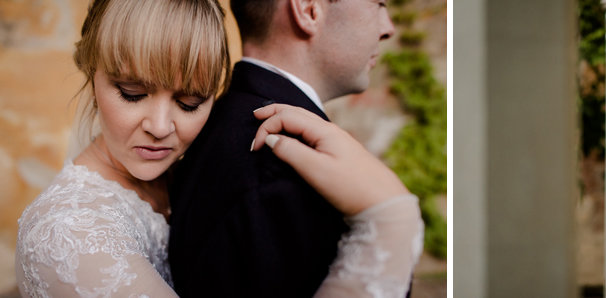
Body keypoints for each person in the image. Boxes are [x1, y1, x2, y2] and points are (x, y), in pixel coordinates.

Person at [16, 0, 421, 297]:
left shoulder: (199, 168)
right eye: (132, 93)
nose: (160, 128)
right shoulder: (68, 233)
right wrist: (389, 222)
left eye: (190, 102)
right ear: (92, 73)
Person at [166, 0, 416, 296]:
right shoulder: (282, 167)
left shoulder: (226, 120)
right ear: (309, 9)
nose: (388, 28)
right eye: (378, 4)